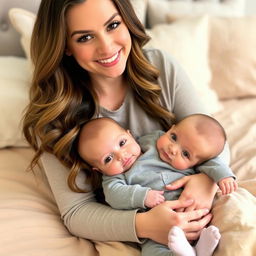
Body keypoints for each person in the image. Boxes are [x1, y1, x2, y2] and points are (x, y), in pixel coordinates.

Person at [23, 0, 234, 252]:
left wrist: (205, 181)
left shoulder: (160, 67)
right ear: (65, 46)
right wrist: (144, 224)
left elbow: (213, 139)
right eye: (85, 37)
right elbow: (76, 211)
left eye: (113, 25)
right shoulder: (54, 116)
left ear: (127, 21)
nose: (107, 46)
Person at [77, 115, 237, 256]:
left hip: (196, 209)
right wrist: (143, 196)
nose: (121, 155)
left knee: (230, 212)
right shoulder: (113, 178)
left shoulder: (153, 140)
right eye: (108, 159)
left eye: (122, 143)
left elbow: (209, 158)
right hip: (160, 226)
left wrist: (223, 175)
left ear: (130, 134)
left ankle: (200, 247)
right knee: (153, 251)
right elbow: (114, 195)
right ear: (98, 170)